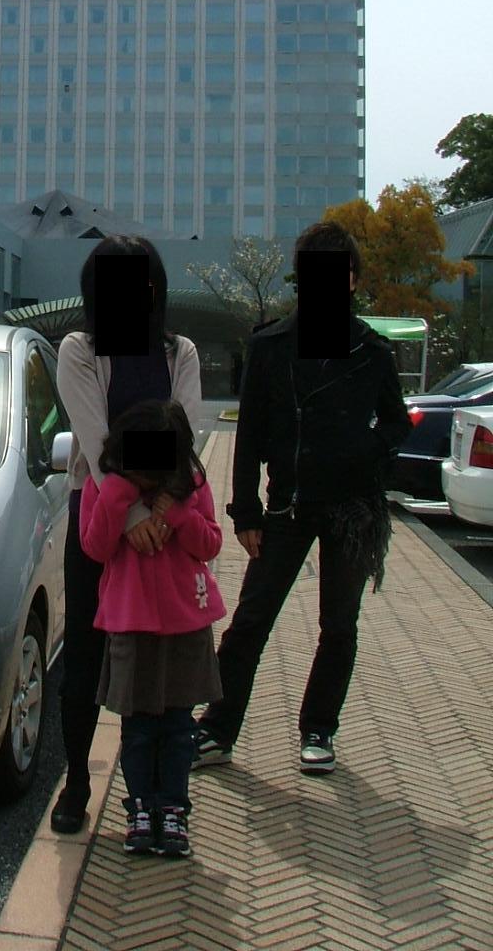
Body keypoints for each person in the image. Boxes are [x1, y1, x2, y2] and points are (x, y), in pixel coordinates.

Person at [193, 221, 413, 775]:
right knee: (251, 620)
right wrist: (245, 510)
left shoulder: (371, 350)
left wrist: (368, 451)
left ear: (353, 280)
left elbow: (396, 421)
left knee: (338, 625)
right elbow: (248, 435)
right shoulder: (270, 346)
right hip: (285, 507)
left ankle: (319, 729)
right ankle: (217, 728)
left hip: (353, 510)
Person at [53, 235, 202, 834]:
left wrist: (161, 512)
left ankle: (161, 793)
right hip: (100, 519)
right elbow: (98, 444)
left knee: (162, 650)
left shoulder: (180, 352)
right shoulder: (79, 351)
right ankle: (77, 781)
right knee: (86, 654)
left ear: (153, 289)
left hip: (166, 520)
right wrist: (135, 515)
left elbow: (183, 436)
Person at [80, 398, 226, 857]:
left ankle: (174, 808)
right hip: (132, 625)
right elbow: (95, 548)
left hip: (185, 625)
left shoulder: (190, 485)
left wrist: (180, 515)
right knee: (138, 729)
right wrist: (119, 495)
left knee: (179, 727)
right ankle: (141, 807)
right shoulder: (106, 486)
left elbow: (210, 544)